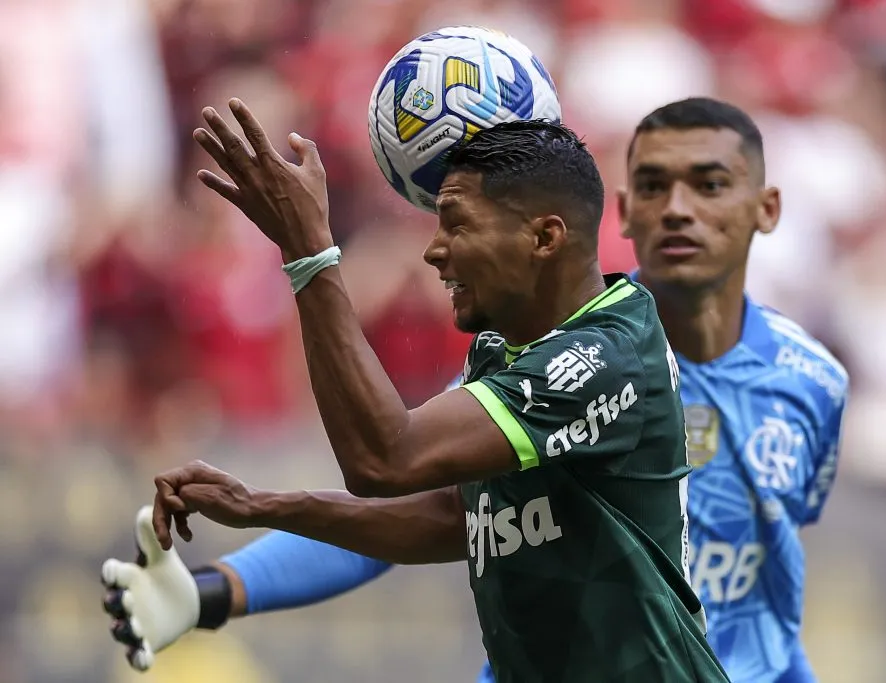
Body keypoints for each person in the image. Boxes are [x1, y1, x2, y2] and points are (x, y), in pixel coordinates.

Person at [102, 97, 848, 683]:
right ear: (623, 207)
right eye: (652, 185)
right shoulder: (509, 356)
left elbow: (385, 460)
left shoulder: (656, 363)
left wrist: (309, 254)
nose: (677, 208)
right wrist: (233, 558)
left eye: (709, 184)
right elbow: (446, 514)